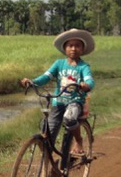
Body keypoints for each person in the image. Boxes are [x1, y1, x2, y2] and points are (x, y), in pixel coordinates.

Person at [20, 28, 95, 156]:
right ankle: (49, 169)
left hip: (75, 101)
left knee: (69, 118)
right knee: (48, 132)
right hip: (58, 101)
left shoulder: (83, 66)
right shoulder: (59, 64)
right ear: (65, 48)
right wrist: (32, 82)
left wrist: (85, 85)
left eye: (77, 46)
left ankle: (78, 140)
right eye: (70, 45)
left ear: (82, 49)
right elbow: (46, 77)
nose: (73, 49)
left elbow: (90, 80)